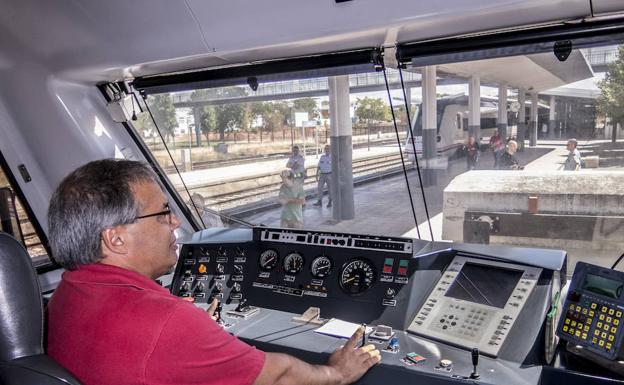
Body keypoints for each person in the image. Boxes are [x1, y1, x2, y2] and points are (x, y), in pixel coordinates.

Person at [46, 159, 380, 385]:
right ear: (116, 238)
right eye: (162, 213)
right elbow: (280, 375)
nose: (175, 222)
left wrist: (196, 332)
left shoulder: (63, 295)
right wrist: (336, 371)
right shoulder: (166, 322)